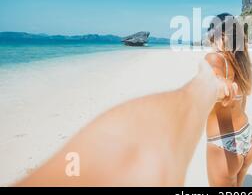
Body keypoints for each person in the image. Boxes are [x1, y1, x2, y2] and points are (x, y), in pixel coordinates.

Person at [15, 60, 239, 187]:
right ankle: (206, 84)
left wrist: (205, 85)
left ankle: (205, 84)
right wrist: (208, 86)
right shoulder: (235, 61)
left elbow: (137, 160)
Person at [205, 13, 252, 187]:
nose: (210, 43)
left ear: (221, 36)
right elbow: (243, 103)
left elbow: (215, 78)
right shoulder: (242, 63)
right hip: (247, 138)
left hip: (225, 145)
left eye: (211, 37)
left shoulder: (215, 58)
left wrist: (221, 86)